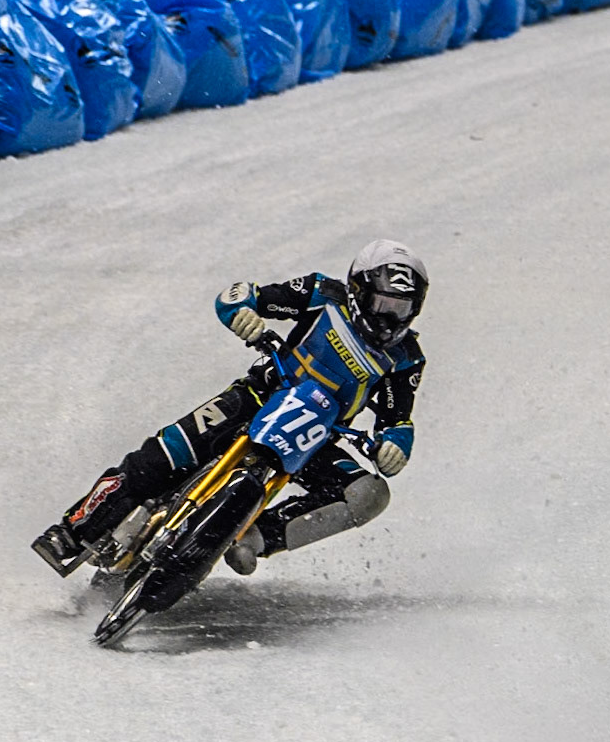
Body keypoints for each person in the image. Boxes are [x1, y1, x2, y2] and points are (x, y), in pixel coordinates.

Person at [32, 240, 430, 577]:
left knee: (369, 495)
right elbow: (239, 295)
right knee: (165, 454)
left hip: (316, 438)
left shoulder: (406, 358)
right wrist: (244, 314)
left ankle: (255, 536)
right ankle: (72, 529)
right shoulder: (320, 294)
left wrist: (394, 447)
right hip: (260, 396)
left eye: (401, 309)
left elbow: (398, 421)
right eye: (381, 303)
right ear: (358, 289)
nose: (387, 318)